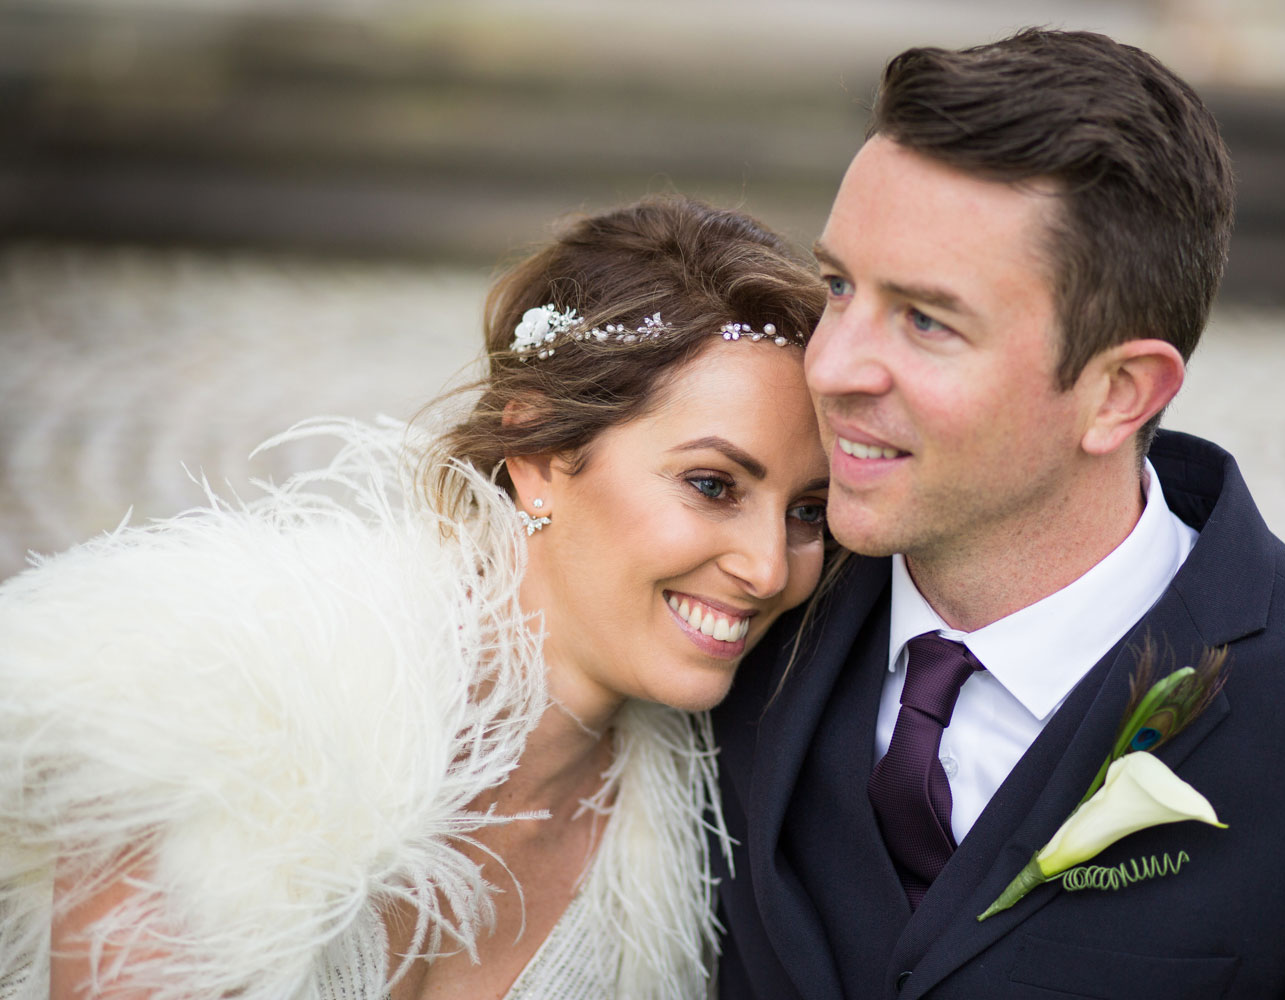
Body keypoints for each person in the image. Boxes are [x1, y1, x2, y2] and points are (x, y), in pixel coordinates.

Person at [711, 28, 1285, 999]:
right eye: (839, 286)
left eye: (927, 320)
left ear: (1121, 392)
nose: (830, 367)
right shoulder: (733, 607)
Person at [0, 195, 833, 1000]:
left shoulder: (708, 856)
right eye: (711, 485)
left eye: (807, 512)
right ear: (536, 450)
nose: (768, 569)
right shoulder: (220, 719)